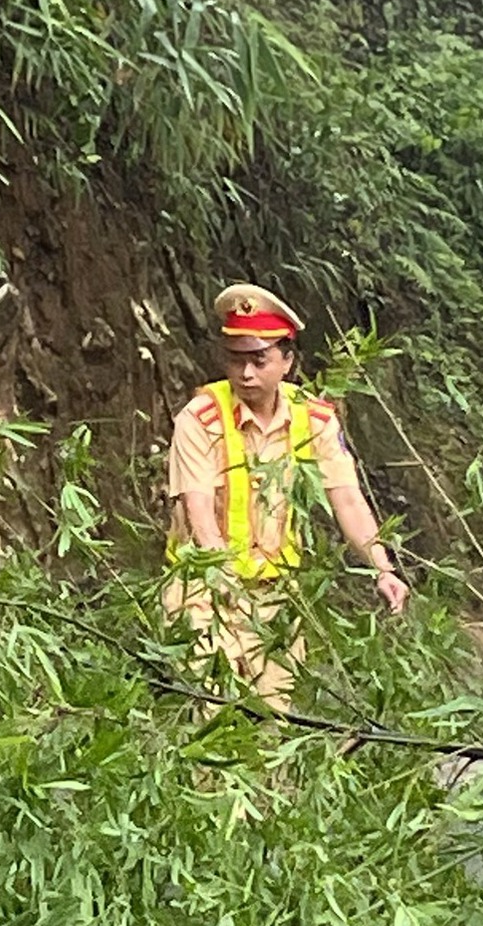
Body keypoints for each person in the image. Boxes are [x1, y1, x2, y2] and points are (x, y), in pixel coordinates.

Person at [165, 282, 407, 704]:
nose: (246, 374)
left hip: (278, 596)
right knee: (212, 719)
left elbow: (347, 499)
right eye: (236, 360)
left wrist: (382, 568)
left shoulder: (313, 419)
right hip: (205, 592)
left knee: (274, 725)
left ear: (288, 361)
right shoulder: (200, 418)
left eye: (259, 360)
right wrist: (220, 575)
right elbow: (198, 506)